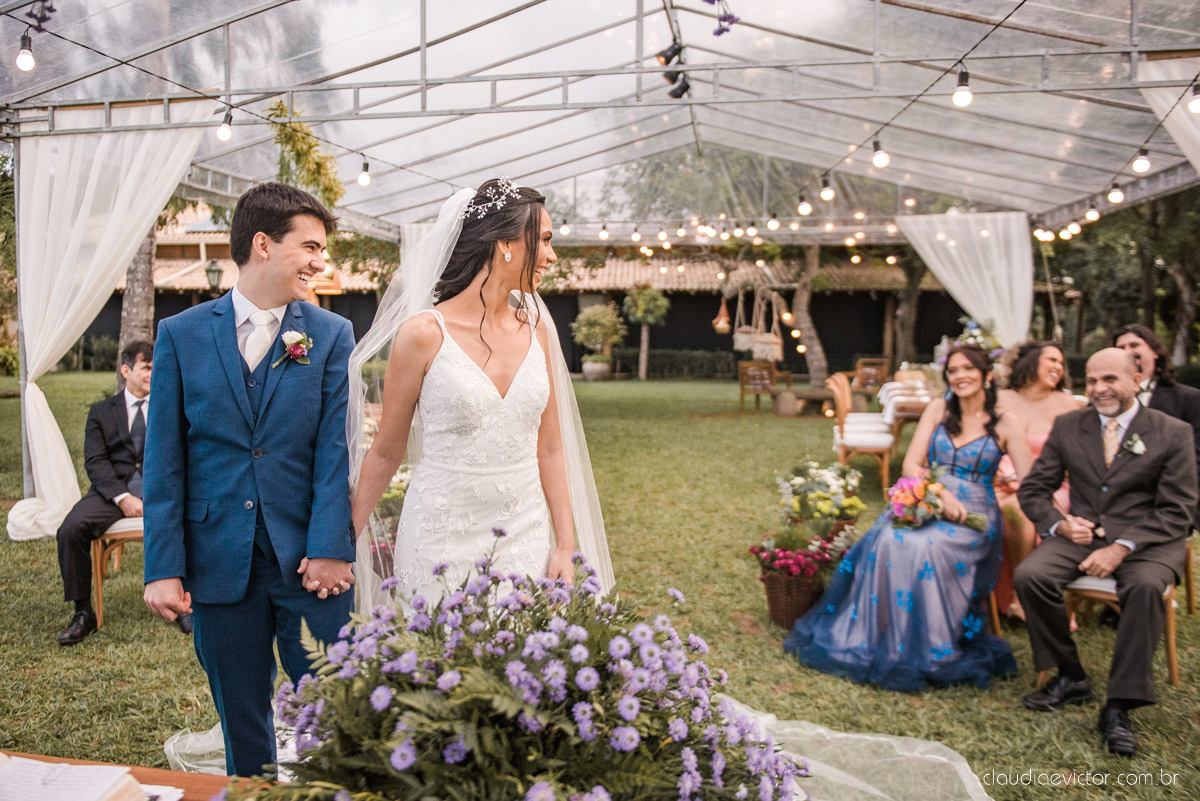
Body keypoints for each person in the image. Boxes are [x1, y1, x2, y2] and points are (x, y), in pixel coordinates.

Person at [142, 183, 357, 777]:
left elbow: (334, 452)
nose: (321, 261)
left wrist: (330, 549)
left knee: (337, 710)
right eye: (309, 246)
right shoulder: (181, 336)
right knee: (243, 720)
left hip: (310, 565)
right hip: (218, 563)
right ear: (263, 244)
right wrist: (162, 565)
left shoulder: (331, 335)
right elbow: (163, 460)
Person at [349, 178, 614, 611]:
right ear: (506, 243)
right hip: (439, 535)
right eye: (544, 240)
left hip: (524, 531)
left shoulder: (538, 330)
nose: (552, 255)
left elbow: (549, 449)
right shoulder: (422, 333)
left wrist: (564, 545)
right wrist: (344, 540)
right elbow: (385, 451)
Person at [784, 345, 1033, 691]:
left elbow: (1031, 479)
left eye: (968, 369)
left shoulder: (1005, 423)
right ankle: (882, 635)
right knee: (889, 538)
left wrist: (1013, 496)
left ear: (987, 375)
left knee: (924, 548)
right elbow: (912, 465)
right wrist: (939, 493)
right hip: (927, 498)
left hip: (974, 514)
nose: (960, 376)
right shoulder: (938, 409)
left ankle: (930, 644)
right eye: (953, 370)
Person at [1015, 348, 1196, 757]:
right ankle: (1071, 674)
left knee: (1145, 588)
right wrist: (1060, 524)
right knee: (1031, 576)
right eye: (1092, 380)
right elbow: (1033, 490)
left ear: (1136, 381)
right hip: (1080, 534)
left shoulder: (1172, 432)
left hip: (1148, 540)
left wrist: (1121, 547)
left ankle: (1119, 706)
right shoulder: (1068, 426)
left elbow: (1178, 510)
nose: (1099, 389)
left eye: (1110, 379)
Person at [53, 341, 188, 644]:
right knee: (71, 530)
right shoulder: (102, 412)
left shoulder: (171, 407)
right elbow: (95, 461)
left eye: (157, 368)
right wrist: (123, 498)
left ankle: (183, 605)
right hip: (114, 492)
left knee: (196, 518)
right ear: (126, 370)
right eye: (146, 368)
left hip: (163, 490)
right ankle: (83, 612)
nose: (153, 374)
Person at [993, 341, 1081, 619]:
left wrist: (1031, 482)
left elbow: (1080, 456)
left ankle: (1022, 596)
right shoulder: (999, 399)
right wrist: (1001, 474)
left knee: (1022, 509)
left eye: (1061, 363)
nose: (1058, 367)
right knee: (997, 510)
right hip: (1000, 480)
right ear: (1030, 361)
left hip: (1053, 484)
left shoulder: (1069, 405)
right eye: (1051, 360)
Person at [1112, 323, 1200, 525]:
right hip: (1112, 499)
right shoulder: (1103, 401)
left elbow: (1196, 457)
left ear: (1155, 352)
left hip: (1169, 496)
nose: (1127, 352)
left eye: (1134, 345)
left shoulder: (1189, 399)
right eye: (1120, 348)